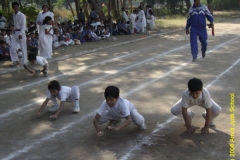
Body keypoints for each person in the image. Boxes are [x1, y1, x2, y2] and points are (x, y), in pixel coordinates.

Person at [10, 2, 27, 67]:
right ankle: (15, 60)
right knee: (12, 46)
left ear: (18, 7)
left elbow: (23, 25)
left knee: (23, 47)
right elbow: (14, 24)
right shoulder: (13, 15)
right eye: (14, 7)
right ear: (13, 8)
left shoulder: (22, 15)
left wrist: (21, 33)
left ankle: (24, 61)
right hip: (15, 32)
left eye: (17, 6)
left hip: (21, 32)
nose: (16, 8)